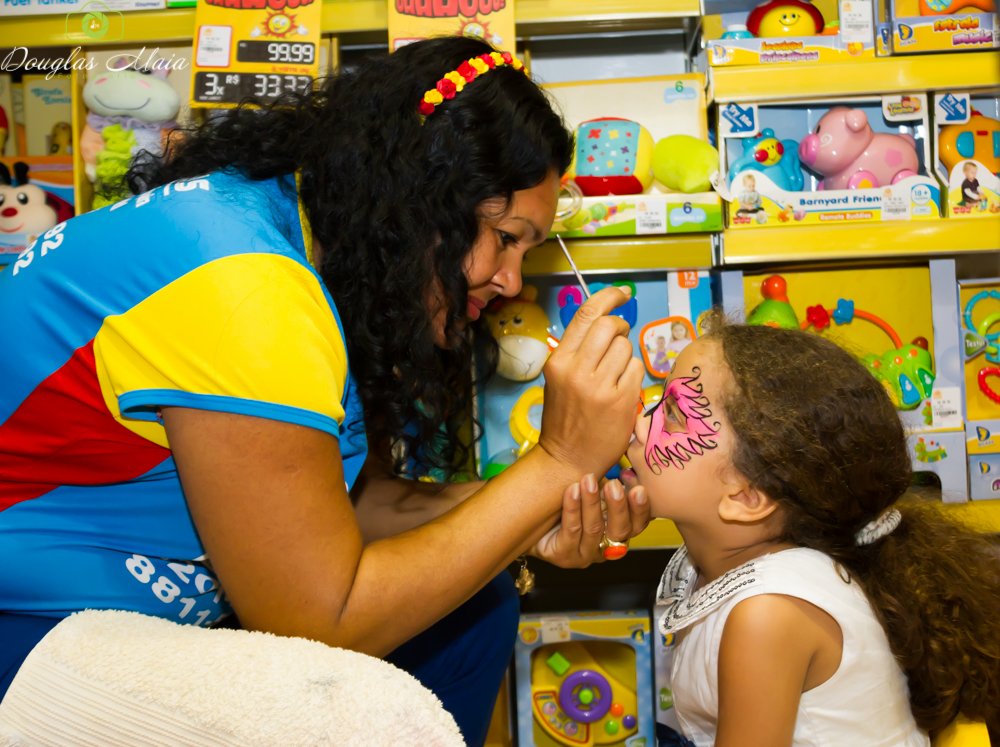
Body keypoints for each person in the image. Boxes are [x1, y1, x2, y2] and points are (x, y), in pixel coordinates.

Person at [0, 37, 651, 746]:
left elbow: (335, 509)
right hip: (28, 634)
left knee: (475, 609)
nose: (511, 283)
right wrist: (557, 460)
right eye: (505, 237)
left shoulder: (284, 224)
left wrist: (534, 508)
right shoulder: (249, 286)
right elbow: (320, 613)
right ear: (422, 199)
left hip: (95, 620)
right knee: (367, 711)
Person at [594, 320, 1000, 746]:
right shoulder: (731, 561)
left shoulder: (769, 614)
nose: (642, 418)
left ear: (747, 496)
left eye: (674, 413)